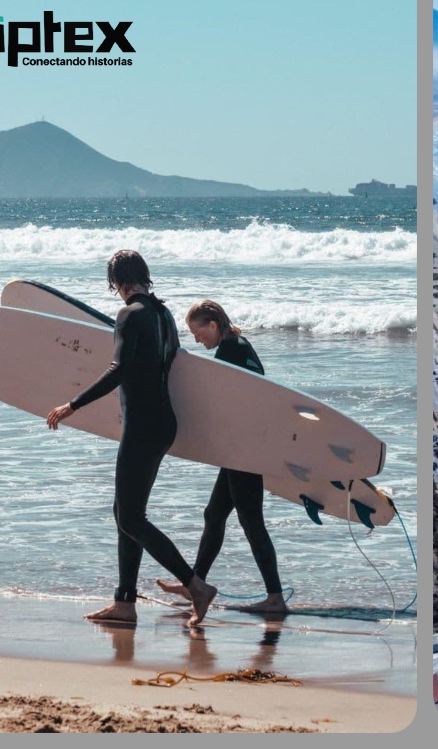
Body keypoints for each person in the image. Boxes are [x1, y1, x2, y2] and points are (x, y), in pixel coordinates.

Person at [46, 250, 217, 627]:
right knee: (126, 514)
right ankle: (124, 602)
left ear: (117, 282)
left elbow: (119, 368)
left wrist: (74, 404)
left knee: (130, 517)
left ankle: (195, 586)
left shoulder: (129, 314)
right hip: (162, 423)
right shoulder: (164, 315)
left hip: (142, 426)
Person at [156, 300, 287, 615]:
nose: (198, 340)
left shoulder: (229, 352)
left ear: (212, 324)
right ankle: (195, 585)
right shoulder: (242, 346)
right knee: (214, 514)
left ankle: (275, 598)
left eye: (198, 332)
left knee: (251, 522)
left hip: (242, 450)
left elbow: (221, 405)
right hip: (244, 446)